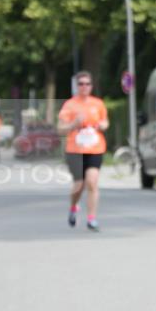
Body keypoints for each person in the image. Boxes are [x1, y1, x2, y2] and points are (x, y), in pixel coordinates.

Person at [58, 71, 109, 231]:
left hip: (95, 148)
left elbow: (105, 121)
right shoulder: (69, 105)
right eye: (81, 84)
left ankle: (91, 219)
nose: (84, 86)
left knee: (92, 183)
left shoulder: (98, 103)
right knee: (79, 185)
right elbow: (60, 129)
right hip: (75, 150)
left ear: (91, 86)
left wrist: (103, 125)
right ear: (77, 86)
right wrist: (73, 123)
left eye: (87, 84)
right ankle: (73, 207)